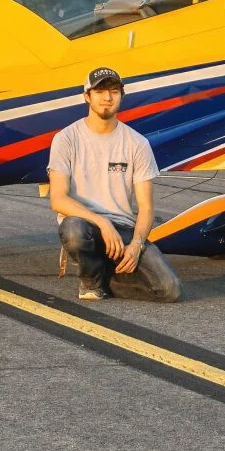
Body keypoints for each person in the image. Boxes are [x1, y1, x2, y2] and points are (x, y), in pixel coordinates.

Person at [48, 67, 181, 302]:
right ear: (87, 96)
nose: (107, 97)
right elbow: (58, 199)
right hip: (85, 224)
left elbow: (147, 207)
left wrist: (137, 244)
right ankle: (90, 281)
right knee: (74, 230)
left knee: (169, 290)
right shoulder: (66, 138)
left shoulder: (137, 143)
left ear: (121, 96)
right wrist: (102, 222)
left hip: (124, 230)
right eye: (99, 91)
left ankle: (104, 275)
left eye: (114, 91)